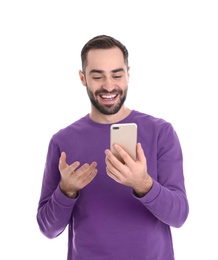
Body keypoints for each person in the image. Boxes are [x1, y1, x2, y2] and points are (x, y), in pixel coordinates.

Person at [36, 35, 189, 260]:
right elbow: (47, 228)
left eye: (117, 75)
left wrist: (143, 184)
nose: (109, 85)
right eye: (97, 76)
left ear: (128, 74)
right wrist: (66, 191)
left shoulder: (161, 133)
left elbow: (179, 216)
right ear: (82, 77)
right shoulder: (63, 141)